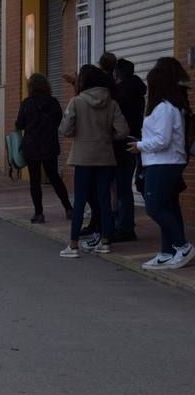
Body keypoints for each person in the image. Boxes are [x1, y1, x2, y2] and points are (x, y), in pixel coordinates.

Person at [59, 64, 128, 258]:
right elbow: (123, 131)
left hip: (83, 157)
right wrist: (106, 137)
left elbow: (65, 130)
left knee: (80, 200)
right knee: (105, 199)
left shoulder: (76, 102)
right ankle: (105, 242)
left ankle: (73, 245)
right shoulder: (111, 102)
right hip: (105, 156)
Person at [129, 67, 192, 269]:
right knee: (168, 207)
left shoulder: (165, 108)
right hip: (162, 161)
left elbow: (163, 140)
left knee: (154, 207)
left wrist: (139, 146)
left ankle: (183, 247)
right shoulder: (166, 107)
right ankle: (167, 252)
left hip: (164, 162)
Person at [15, 73, 72, 224]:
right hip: (49, 145)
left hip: (31, 146)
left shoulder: (27, 103)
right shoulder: (53, 102)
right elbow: (60, 120)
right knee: (54, 177)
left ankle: (39, 213)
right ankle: (68, 208)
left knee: (34, 180)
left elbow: (19, 124)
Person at [111, 59, 146, 242]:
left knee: (121, 187)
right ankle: (124, 225)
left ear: (117, 74)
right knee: (124, 186)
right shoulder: (138, 89)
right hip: (134, 140)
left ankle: (124, 227)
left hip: (121, 143)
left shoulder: (120, 94)